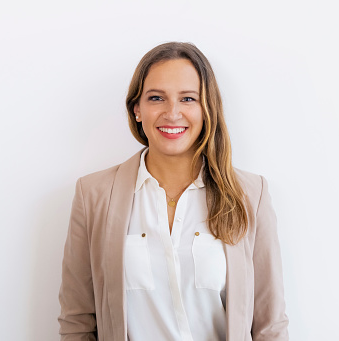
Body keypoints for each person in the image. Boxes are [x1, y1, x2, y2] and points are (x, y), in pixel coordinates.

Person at [58, 42, 289, 341]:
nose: (172, 113)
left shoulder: (250, 195)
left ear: (207, 109)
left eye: (188, 99)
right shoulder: (93, 195)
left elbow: (270, 326)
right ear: (137, 109)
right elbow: (77, 320)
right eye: (157, 98)